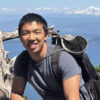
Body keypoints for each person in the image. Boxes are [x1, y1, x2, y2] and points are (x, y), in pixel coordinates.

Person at [11, 13, 89, 100]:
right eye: (25, 33)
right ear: (20, 37)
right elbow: (16, 93)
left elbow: (72, 97)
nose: (31, 38)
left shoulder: (63, 59)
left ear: (46, 35)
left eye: (37, 32)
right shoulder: (22, 60)